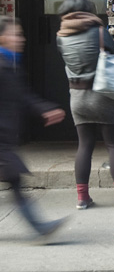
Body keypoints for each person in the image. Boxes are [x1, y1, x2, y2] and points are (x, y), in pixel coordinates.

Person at [56, 0, 114, 210]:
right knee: (113, 144)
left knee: (84, 146)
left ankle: (82, 198)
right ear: (88, 10)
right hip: (103, 94)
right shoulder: (99, 32)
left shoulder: (61, 37)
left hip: (77, 97)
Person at [0, 17, 67, 236]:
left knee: (15, 180)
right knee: (15, 180)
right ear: (3, 38)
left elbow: (23, 95)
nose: (21, 39)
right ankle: (40, 228)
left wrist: (44, 109)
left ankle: (40, 228)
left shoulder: (11, 64)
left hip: (6, 137)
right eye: (16, 34)